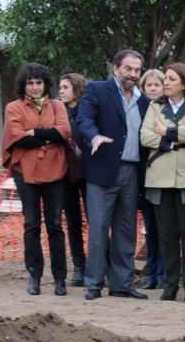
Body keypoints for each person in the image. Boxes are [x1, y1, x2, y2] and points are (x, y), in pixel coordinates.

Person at [77, 49, 150, 300]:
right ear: (115, 68)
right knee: (98, 229)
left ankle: (122, 284)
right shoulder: (97, 90)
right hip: (102, 170)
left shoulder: (144, 100)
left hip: (132, 171)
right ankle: (94, 284)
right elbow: (84, 120)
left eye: (137, 70)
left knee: (127, 229)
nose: (132, 74)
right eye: (128, 69)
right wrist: (95, 136)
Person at [1, 63, 72, 297]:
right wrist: (46, 138)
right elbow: (16, 138)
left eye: (38, 82)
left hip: (55, 170)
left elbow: (63, 132)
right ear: (24, 85)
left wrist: (32, 132)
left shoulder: (58, 105)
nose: (34, 86)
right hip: (26, 171)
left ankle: (60, 278)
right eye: (30, 82)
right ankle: (34, 276)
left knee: (54, 224)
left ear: (45, 84)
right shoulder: (13, 107)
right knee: (31, 224)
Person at [140, 63, 185, 303]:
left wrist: (165, 130)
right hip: (160, 178)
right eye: (165, 79)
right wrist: (175, 138)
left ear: (184, 83)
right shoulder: (154, 106)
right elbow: (145, 136)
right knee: (167, 235)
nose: (165, 83)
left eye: (170, 79)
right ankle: (169, 286)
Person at [58, 72, 89, 287]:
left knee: (96, 220)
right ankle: (79, 266)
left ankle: (102, 264)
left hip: (88, 171)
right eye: (60, 87)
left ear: (76, 89)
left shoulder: (88, 110)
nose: (61, 91)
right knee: (72, 221)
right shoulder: (56, 111)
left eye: (65, 87)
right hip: (65, 172)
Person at [137, 69, 167, 290]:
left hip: (166, 175)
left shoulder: (170, 108)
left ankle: (164, 272)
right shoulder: (138, 109)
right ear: (143, 88)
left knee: (165, 227)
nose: (153, 89)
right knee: (151, 228)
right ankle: (152, 274)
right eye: (149, 85)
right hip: (144, 177)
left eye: (157, 84)